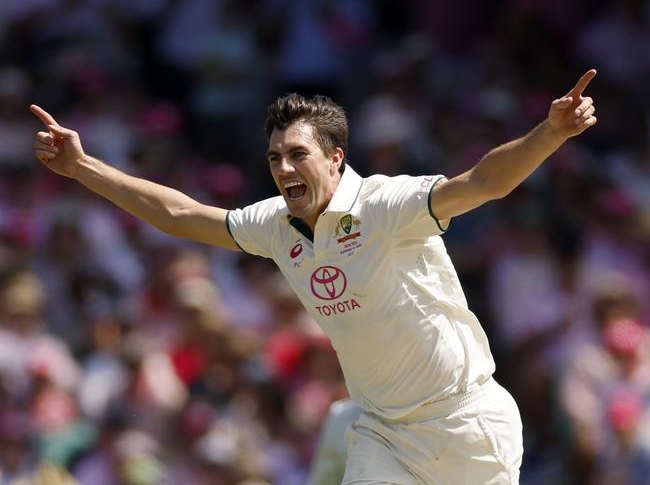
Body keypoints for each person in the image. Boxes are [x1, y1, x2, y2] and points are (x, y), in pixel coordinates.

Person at [31, 69, 597, 484]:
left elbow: (484, 183)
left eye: (297, 154)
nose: (282, 168)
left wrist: (549, 133)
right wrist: (82, 166)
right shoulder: (275, 225)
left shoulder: (387, 203)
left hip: (467, 423)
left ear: (336, 159)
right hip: (385, 434)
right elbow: (179, 215)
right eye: (274, 156)